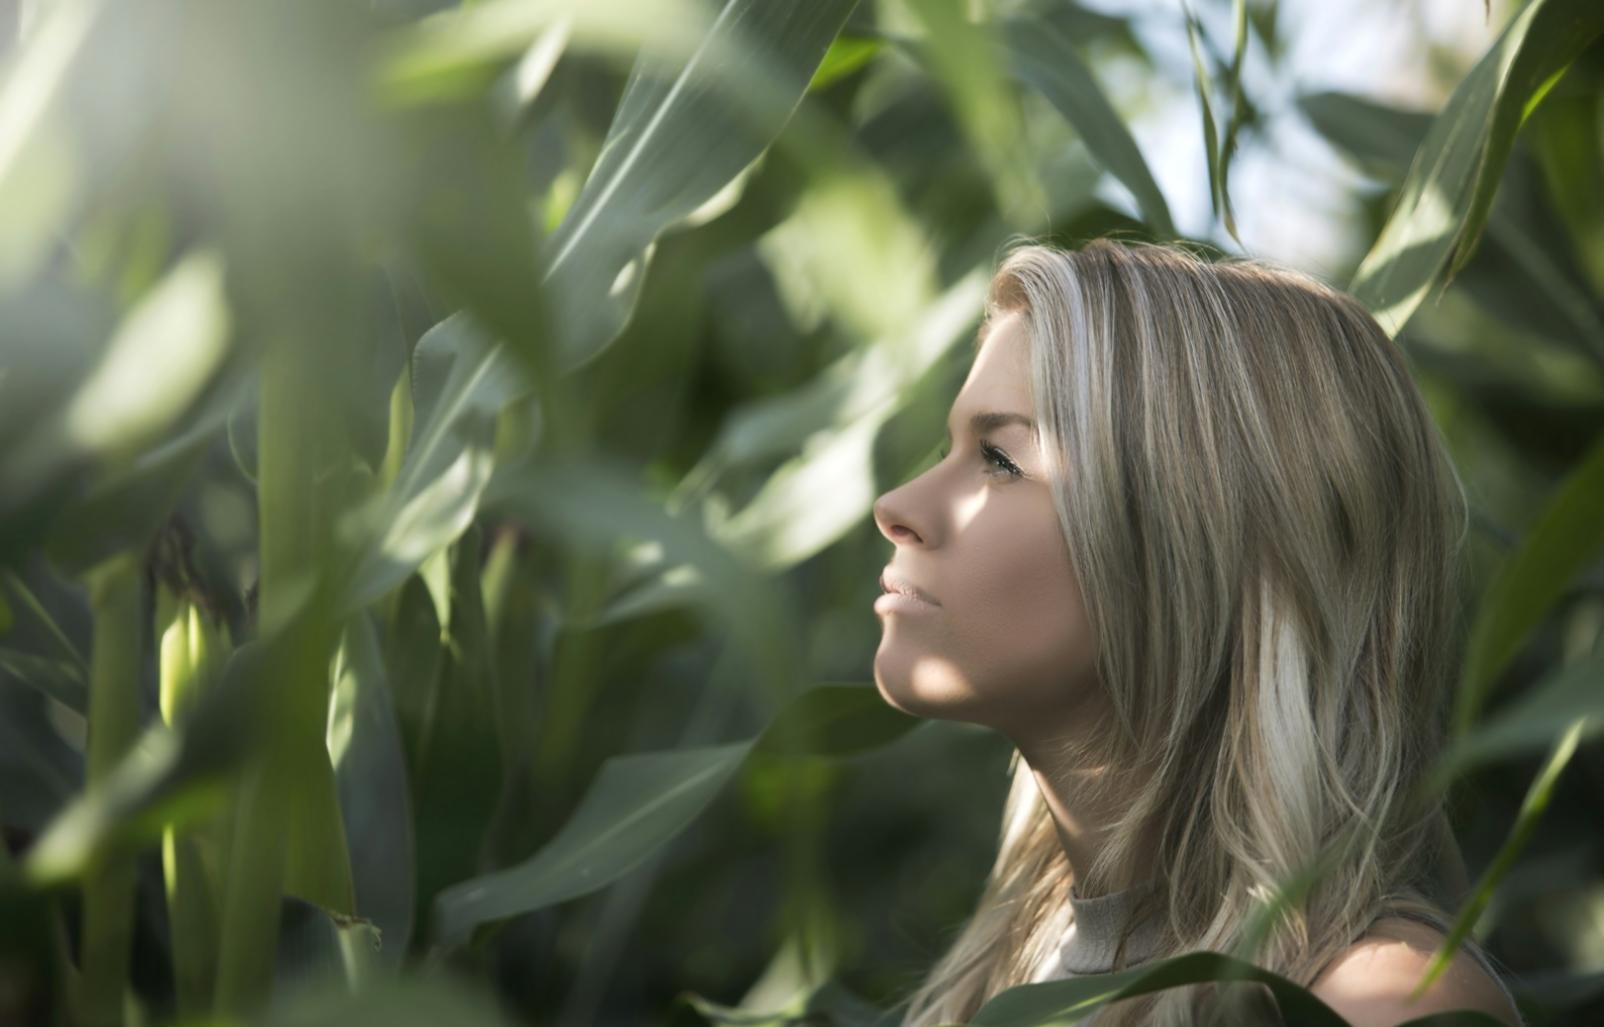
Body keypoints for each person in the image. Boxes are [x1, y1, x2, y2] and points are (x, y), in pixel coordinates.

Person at [869, 238, 1523, 1027]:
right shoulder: (1019, 968)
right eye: (952, 449)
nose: (898, 504)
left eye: (1000, 459)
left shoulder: (1374, 1005)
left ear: (1197, 543)